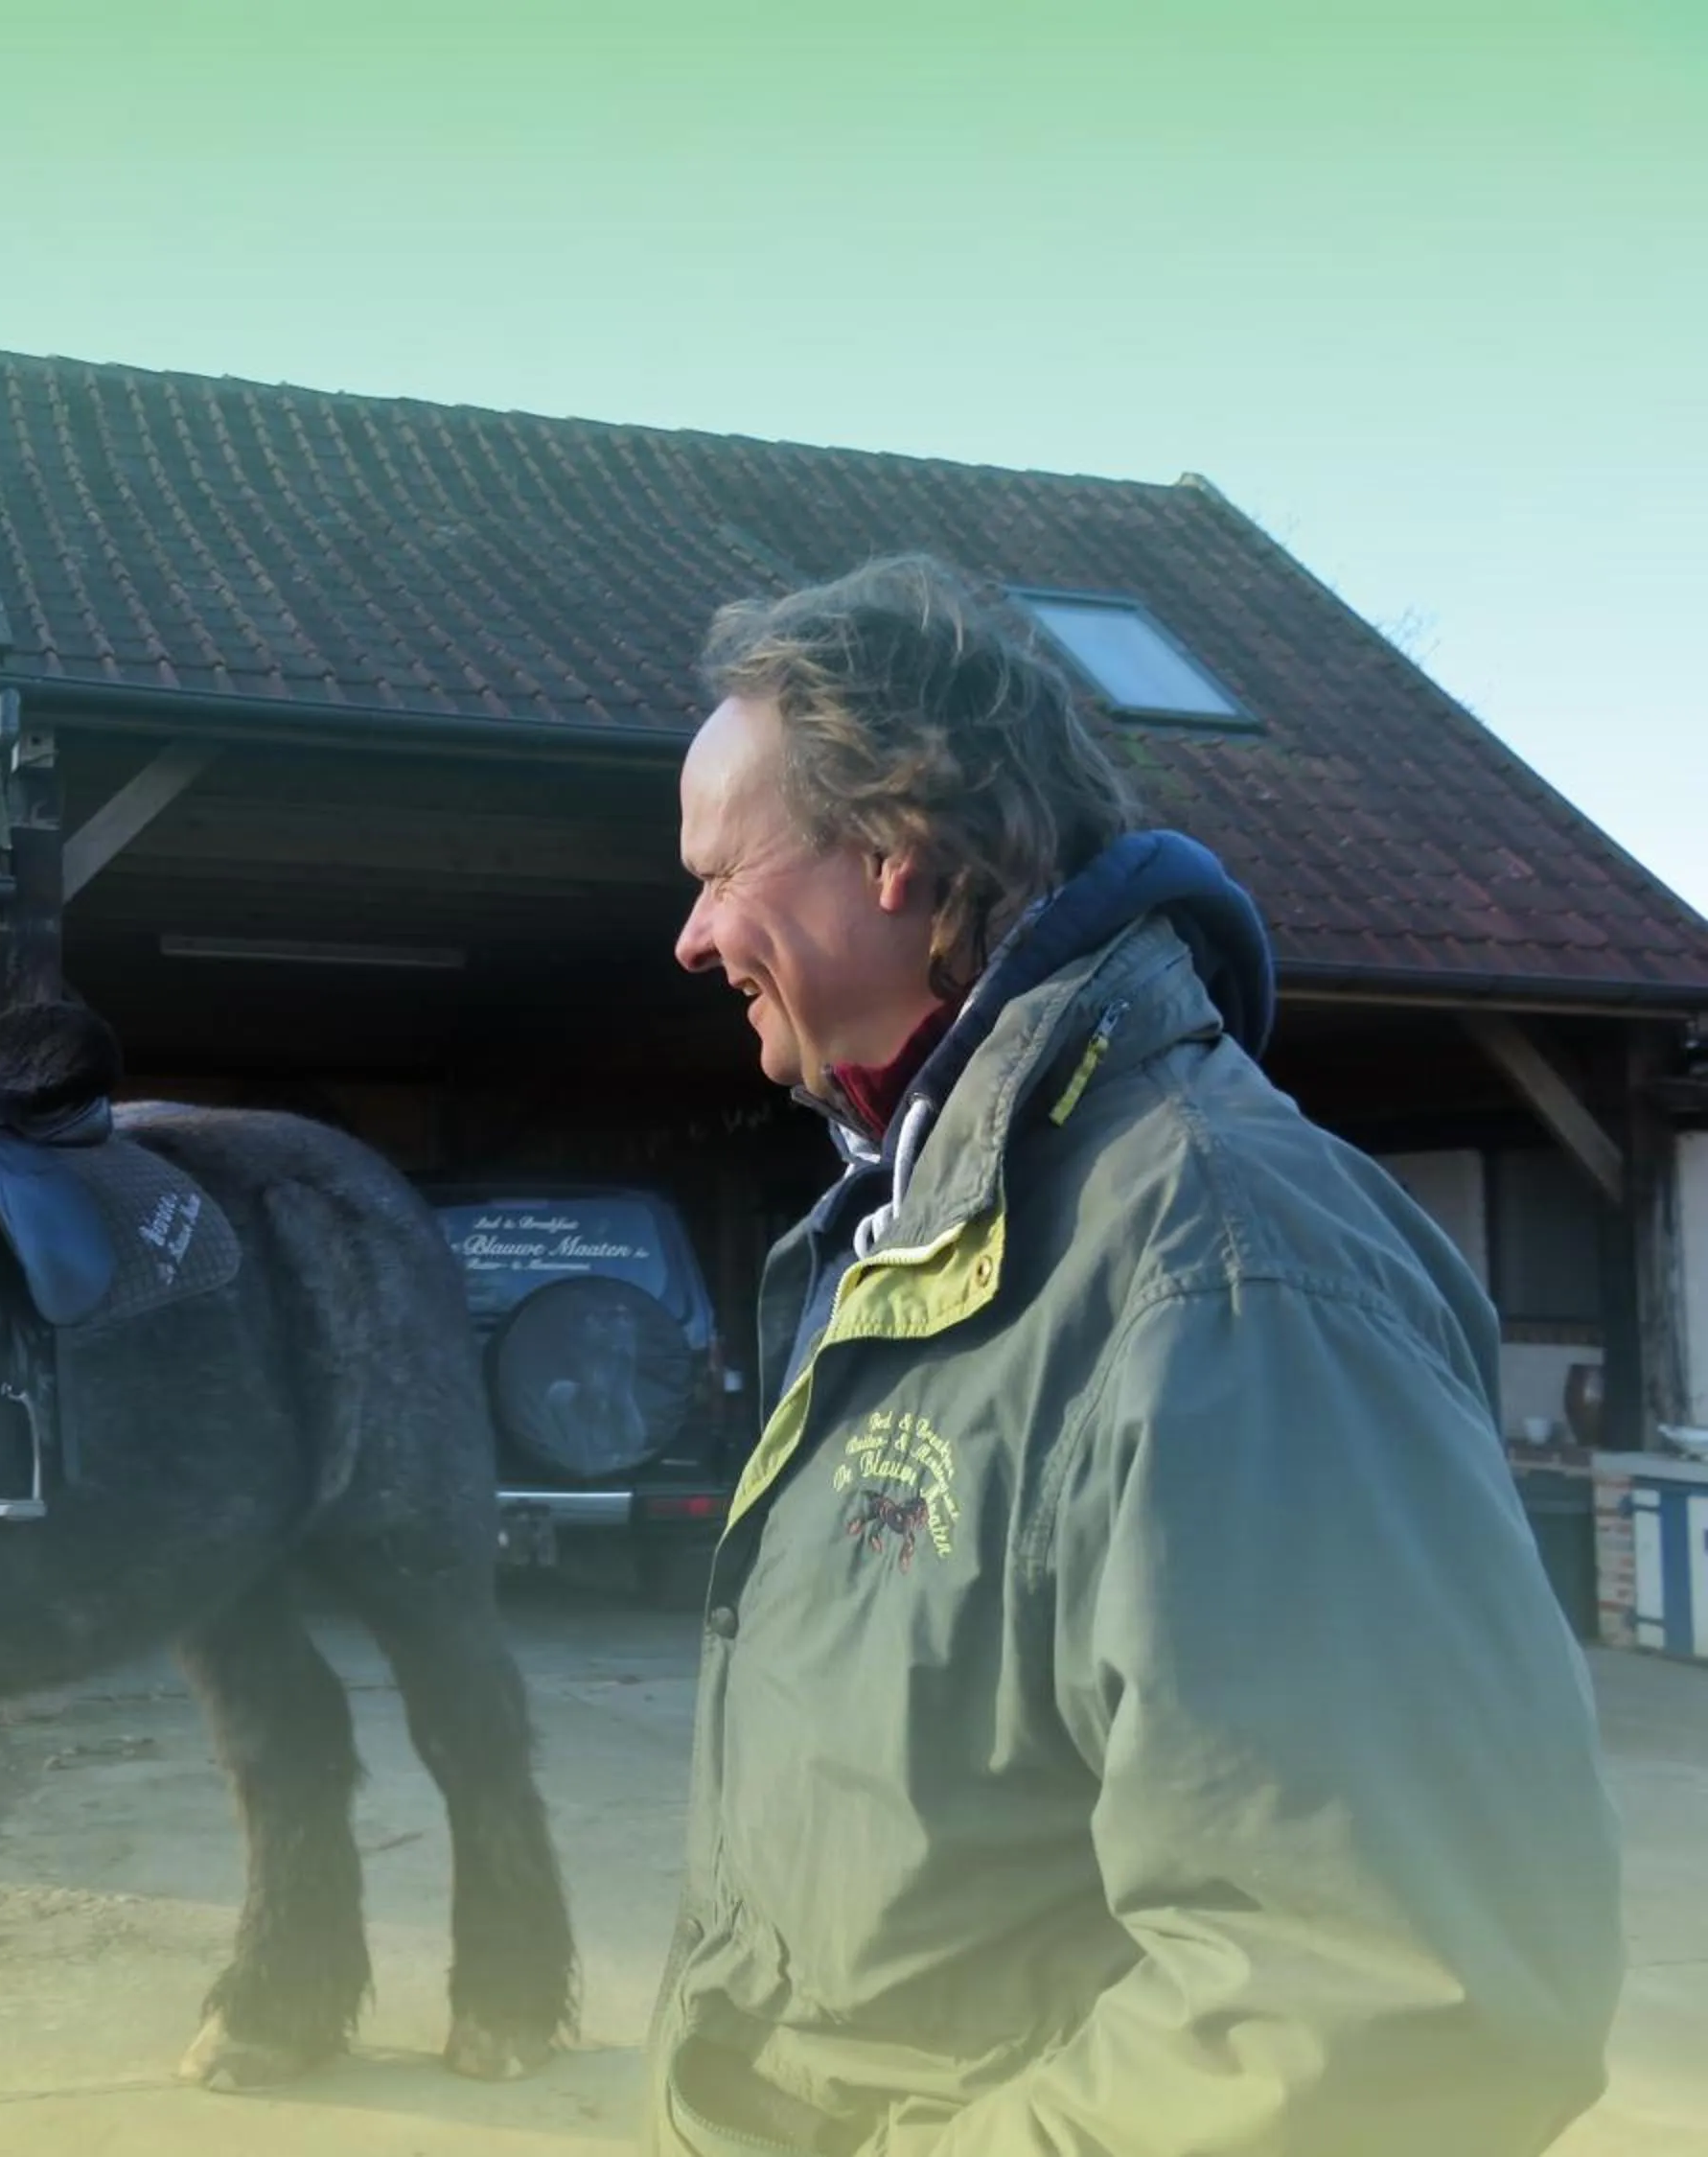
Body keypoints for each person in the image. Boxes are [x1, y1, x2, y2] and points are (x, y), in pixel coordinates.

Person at [644, 553, 1625, 2156]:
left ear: (890, 850)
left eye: (718, 872)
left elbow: (1391, 2002)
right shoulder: (928, 1228)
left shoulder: (1229, 1272)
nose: (691, 938)